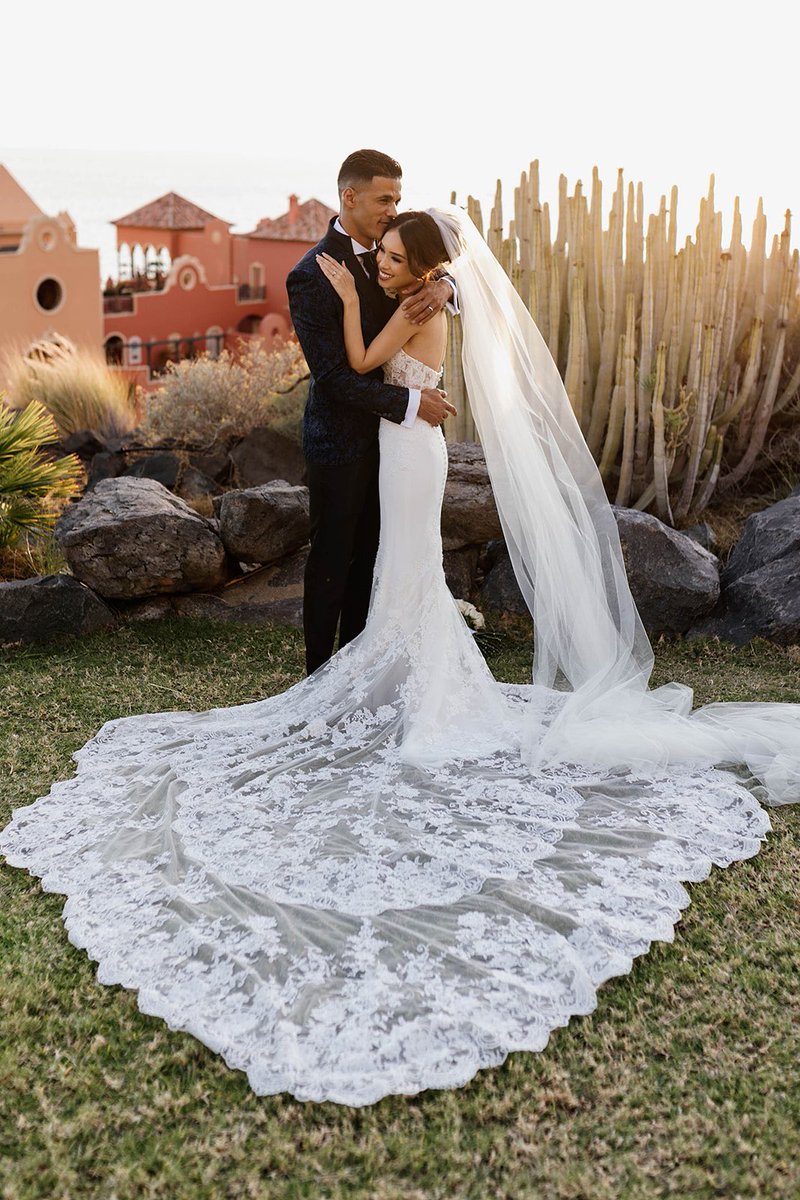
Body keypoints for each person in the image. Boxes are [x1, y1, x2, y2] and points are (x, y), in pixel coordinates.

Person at [1, 203, 798, 1109]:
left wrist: (346, 296)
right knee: (401, 570)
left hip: (411, 448)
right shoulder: (429, 291)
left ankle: (425, 686)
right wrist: (356, 292)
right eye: (371, 255)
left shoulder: (421, 303)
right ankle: (410, 666)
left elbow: (368, 364)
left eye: (385, 255)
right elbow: (371, 367)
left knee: (410, 565)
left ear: (416, 262)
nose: (373, 261)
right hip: (401, 437)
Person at [287, 149, 457, 675]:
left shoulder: (405, 247)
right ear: (350, 197)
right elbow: (336, 376)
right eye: (385, 199)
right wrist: (411, 402)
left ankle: (360, 675)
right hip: (340, 442)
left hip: (395, 447)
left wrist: (448, 284)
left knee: (377, 565)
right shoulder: (310, 275)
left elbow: (444, 263)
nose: (393, 208)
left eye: (398, 199)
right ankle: (318, 678)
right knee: (333, 564)